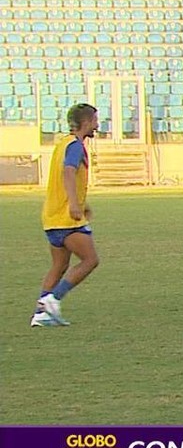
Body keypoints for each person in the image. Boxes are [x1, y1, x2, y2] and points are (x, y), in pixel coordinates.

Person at [33, 103, 101, 327]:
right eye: (95, 120)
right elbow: (69, 172)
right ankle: (54, 299)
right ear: (86, 122)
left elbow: (67, 178)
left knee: (59, 266)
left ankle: (41, 314)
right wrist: (74, 205)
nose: (97, 124)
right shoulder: (75, 146)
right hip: (67, 218)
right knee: (90, 260)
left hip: (51, 217)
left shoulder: (63, 143)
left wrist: (83, 202)